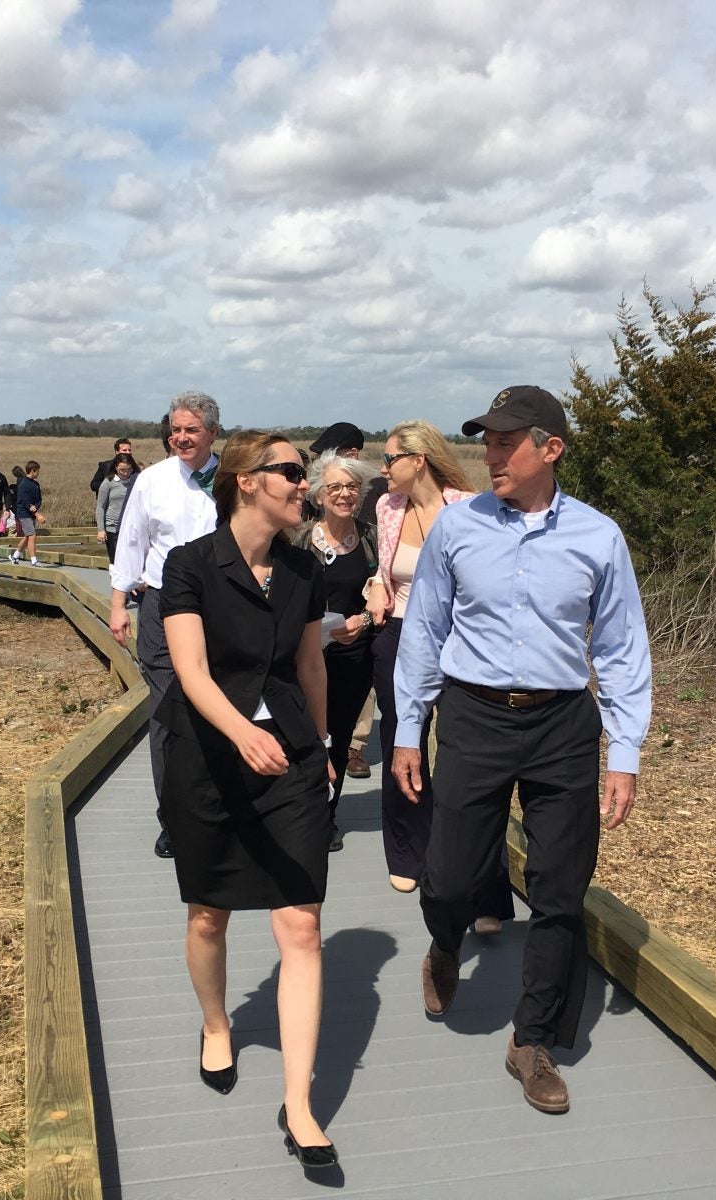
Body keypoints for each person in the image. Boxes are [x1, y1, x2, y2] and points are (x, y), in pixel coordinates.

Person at [391, 385, 652, 1115]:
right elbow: (425, 633)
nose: (491, 454)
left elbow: (623, 648)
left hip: (562, 723)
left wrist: (624, 751)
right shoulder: (458, 528)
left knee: (561, 887)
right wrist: (410, 729)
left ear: (551, 449)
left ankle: (532, 1040)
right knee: (447, 875)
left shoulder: (598, 538)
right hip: (472, 714)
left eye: (507, 442)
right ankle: (445, 945)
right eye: (487, 440)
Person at [156, 429, 338, 1171]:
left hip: (288, 760)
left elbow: (308, 664)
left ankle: (299, 1105)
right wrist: (240, 734)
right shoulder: (190, 566)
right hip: (208, 762)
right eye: (293, 472)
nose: (308, 484)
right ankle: (215, 1022)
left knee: (301, 927)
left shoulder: (304, 569)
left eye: (307, 473)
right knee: (209, 914)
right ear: (247, 481)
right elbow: (190, 672)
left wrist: (321, 750)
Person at [364, 421, 513, 931]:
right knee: (401, 742)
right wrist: (376, 587)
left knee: (468, 758)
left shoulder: (468, 507)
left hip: (460, 644)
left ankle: (489, 889)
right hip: (399, 637)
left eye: (389, 459)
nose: (382, 470)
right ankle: (408, 855)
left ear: (418, 459)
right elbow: (384, 570)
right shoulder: (386, 509)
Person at [109, 392, 222, 859]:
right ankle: (173, 818)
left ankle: (218, 812)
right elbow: (131, 542)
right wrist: (119, 604)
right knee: (166, 714)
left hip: (221, 608)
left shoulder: (234, 480)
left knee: (222, 709)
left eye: (191, 430)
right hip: (161, 604)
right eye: (175, 429)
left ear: (213, 432)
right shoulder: (152, 480)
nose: (180, 437)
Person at [293, 450, 378, 853]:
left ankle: (326, 818)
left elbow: (388, 593)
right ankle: (298, 813)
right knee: (302, 734)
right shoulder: (297, 539)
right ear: (319, 495)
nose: (344, 494)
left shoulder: (372, 538)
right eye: (335, 487)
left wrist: (363, 622)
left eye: (351, 487)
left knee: (339, 736)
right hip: (301, 656)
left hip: (352, 657)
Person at [95, 453, 140, 561]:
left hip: (131, 527)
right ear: (116, 467)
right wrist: (101, 530)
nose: (125, 473)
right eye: (122, 470)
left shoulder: (137, 481)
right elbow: (100, 506)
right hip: (112, 528)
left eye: (129, 470)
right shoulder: (108, 483)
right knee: (115, 561)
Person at [10, 461, 48, 566]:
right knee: (32, 535)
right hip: (24, 513)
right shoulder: (23, 484)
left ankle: (15, 555)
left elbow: (39, 499)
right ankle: (34, 560)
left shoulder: (36, 484)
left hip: (32, 513)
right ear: (32, 471)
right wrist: (37, 514)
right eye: (37, 471)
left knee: (28, 536)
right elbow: (26, 502)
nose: (38, 474)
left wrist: (36, 506)